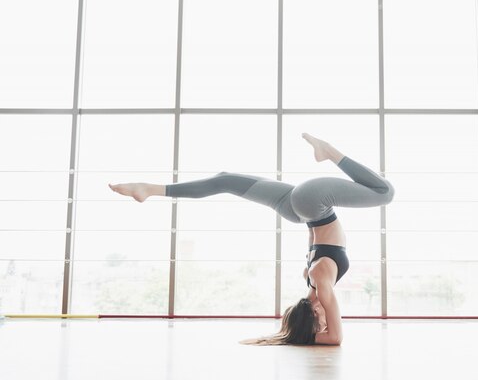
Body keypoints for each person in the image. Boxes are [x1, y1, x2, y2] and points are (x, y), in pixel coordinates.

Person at [109, 133, 394, 345]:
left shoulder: (320, 282)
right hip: (299, 211)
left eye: (319, 324)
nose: (325, 322)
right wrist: (294, 332)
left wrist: (305, 336)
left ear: (313, 318)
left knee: (385, 193)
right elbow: (321, 320)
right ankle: (149, 189)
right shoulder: (313, 280)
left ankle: (329, 151)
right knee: (226, 180)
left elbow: (336, 338)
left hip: (313, 203)